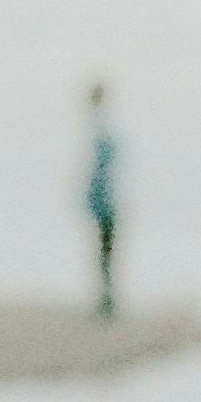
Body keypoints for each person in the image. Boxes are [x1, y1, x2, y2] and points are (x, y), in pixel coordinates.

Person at [82, 76, 121, 317]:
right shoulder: (100, 127)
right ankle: (106, 297)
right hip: (105, 201)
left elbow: (100, 170)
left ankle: (106, 297)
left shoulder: (99, 128)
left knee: (104, 251)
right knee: (105, 251)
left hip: (105, 201)